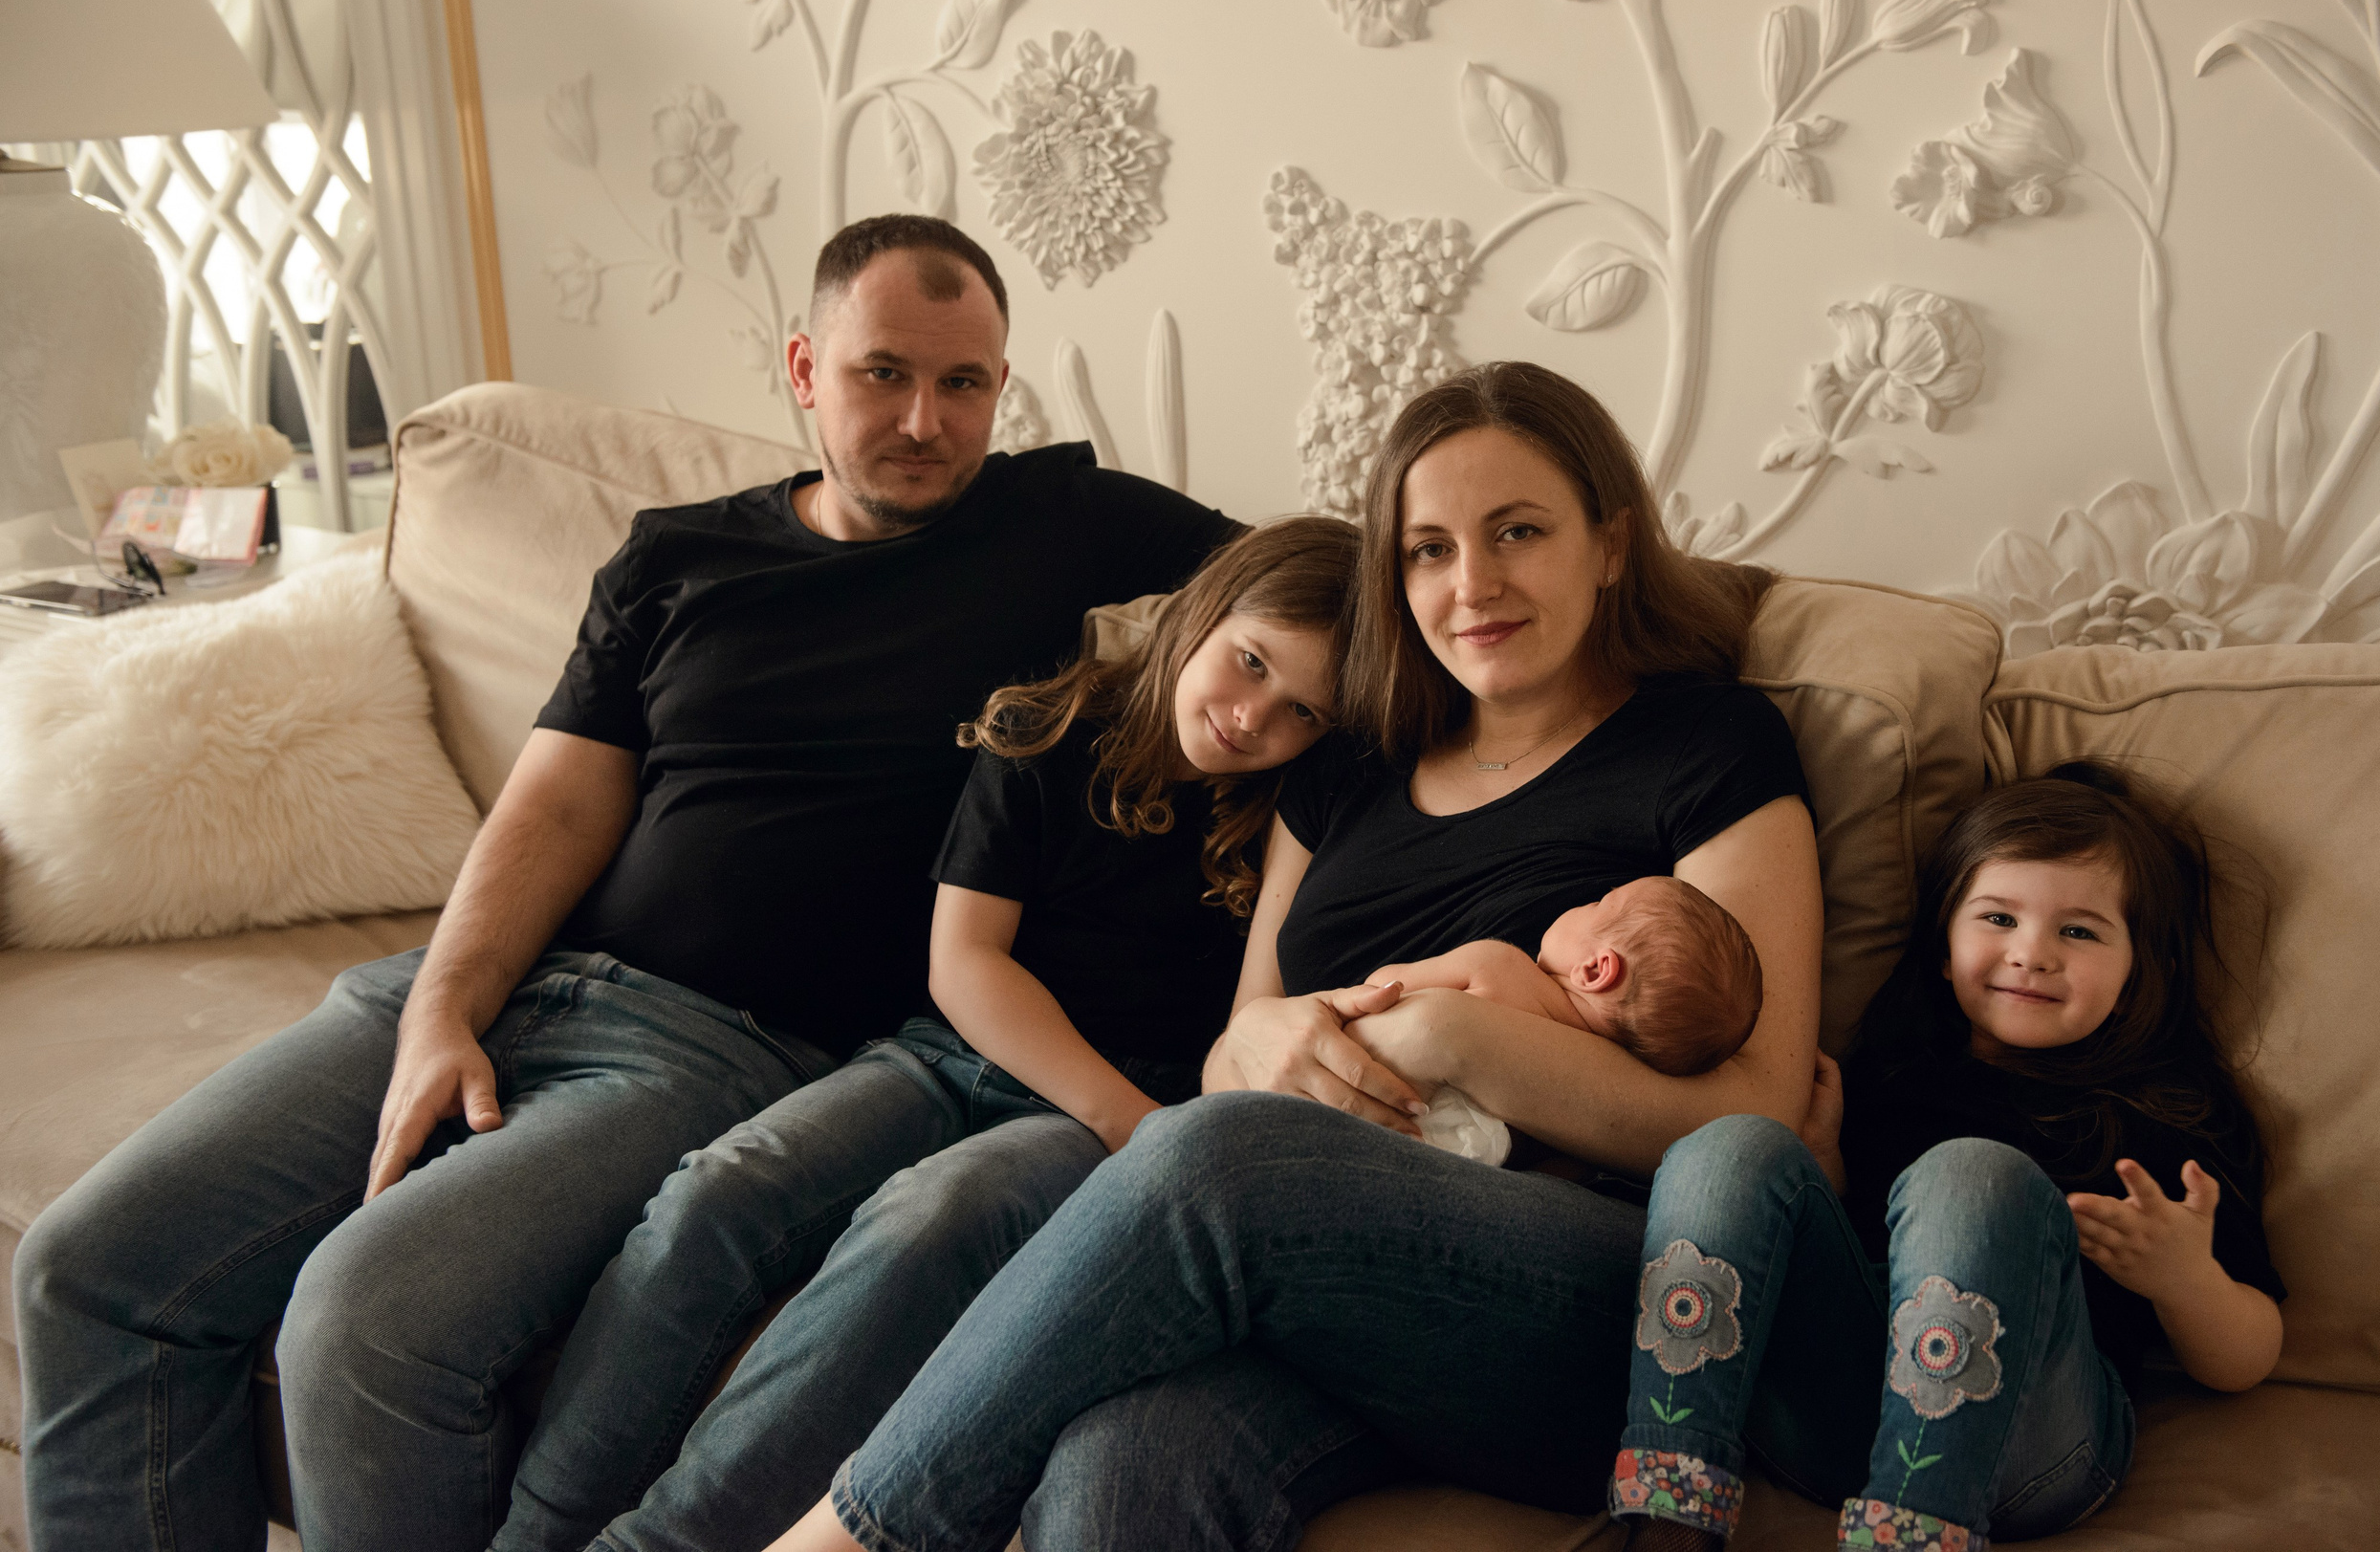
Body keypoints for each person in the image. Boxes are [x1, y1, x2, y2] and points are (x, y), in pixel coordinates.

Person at [11, 214, 1237, 1552]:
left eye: (965, 386)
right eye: (883, 374)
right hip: (500, 985)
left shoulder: (1067, 531)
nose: (927, 423)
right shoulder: (677, 555)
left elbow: (1329, 589)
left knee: (370, 1316)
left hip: (717, 1052)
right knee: (87, 1270)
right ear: (804, 369)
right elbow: (552, 801)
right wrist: (442, 1005)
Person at [763, 359, 1826, 1552]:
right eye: (1427, 548)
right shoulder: (1344, 766)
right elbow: (1235, 1048)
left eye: (1516, 531)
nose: (1470, 583)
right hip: (1326, 1282)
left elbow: (1758, 1109)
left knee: (1213, 1155)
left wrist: (1452, 1034)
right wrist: (1254, 1037)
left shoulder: (1708, 744)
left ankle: (847, 1538)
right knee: (1118, 1461)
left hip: (1587, 1287)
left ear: (1611, 542)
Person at [494, 515, 1355, 1552]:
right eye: (1248, 660)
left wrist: (1133, 1122)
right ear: (1203, 611)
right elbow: (965, 961)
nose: (1250, 712)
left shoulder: (1286, 807)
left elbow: (1246, 1018)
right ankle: (540, 1535)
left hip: (1112, 1111)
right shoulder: (1044, 725)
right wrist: (1121, 1114)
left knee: (929, 1215)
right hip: (956, 1057)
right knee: (715, 1191)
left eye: (1300, 707)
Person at [1602, 761, 2284, 1551]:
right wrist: (1822, 1159)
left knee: (1973, 1172)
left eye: (2079, 930)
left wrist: (2185, 1277)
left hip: (2035, 1452)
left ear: (2142, 970)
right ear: (1942, 940)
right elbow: (1837, 1270)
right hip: (1839, 1435)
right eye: (1997, 918)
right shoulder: (1896, 1072)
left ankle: (1919, 1534)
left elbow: (2247, 1356)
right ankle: (1669, 1508)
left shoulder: (2171, 1115)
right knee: (1731, 1142)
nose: (2031, 953)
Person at [1369, 877, 1765, 1163]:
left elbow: (1379, 992)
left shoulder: (1497, 966)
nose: (1584, 903)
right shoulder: (1585, 1108)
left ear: (1594, 970)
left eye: (1598, 903)